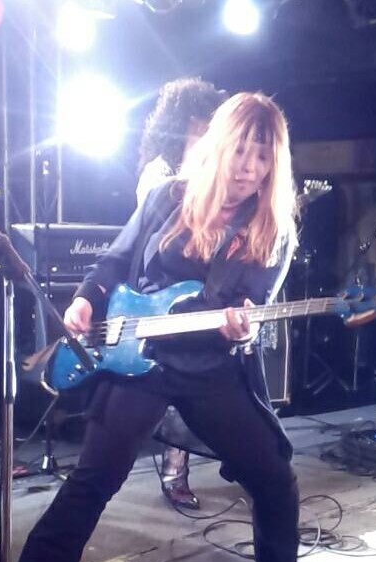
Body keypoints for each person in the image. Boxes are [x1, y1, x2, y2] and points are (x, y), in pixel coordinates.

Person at [15, 92, 306, 562]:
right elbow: (115, 260)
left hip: (211, 367)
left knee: (273, 472)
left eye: (263, 156)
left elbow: (256, 305)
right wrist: (85, 298)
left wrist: (242, 327)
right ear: (219, 144)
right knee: (97, 474)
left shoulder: (273, 229)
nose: (249, 166)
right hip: (139, 359)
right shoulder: (167, 197)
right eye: (241, 150)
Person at [137, 76, 227, 510]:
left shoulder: (213, 170)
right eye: (198, 121)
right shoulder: (159, 172)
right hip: (161, 292)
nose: (205, 130)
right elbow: (159, 230)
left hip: (199, 289)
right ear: (179, 122)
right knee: (169, 386)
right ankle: (175, 475)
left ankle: (236, 460)